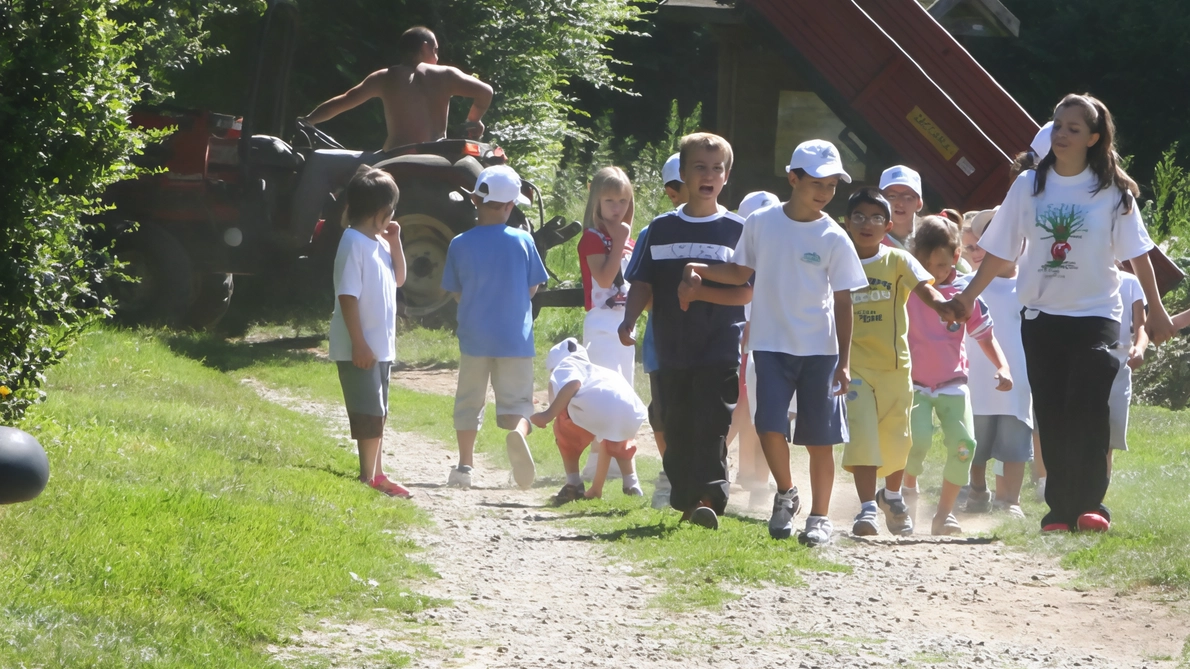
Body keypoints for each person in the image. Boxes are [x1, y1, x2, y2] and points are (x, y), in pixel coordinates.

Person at [949, 93, 1176, 533]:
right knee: (1052, 411)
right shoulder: (1027, 186)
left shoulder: (1114, 191)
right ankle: (1058, 511)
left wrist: (1158, 312)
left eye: (1074, 128)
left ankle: (1091, 505)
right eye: (1057, 125)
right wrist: (966, 300)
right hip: (1041, 317)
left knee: (1087, 405)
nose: (1063, 134)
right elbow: (998, 252)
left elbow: (1139, 255)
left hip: (1098, 315)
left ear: (1094, 137)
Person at [681, 139, 868, 546]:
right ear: (793, 178)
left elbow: (843, 299)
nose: (824, 191)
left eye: (833, 184)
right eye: (817, 181)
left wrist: (845, 361)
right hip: (769, 345)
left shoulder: (834, 236)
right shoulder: (762, 222)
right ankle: (787, 493)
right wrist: (698, 270)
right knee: (769, 427)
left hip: (820, 351)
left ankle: (819, 518)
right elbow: (738, 273)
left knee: (820, 438)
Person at [620, 133, 748, 530]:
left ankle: (707, 499)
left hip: (720, 346)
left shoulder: (738, 230)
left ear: (726, 176)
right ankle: (686, 498)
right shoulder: (658, 229)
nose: (709, 175)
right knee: (674, 425)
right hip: (671, 349)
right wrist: (629, 319)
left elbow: (747, 288)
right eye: (699, 167)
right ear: (683, 173)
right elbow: (641, 281)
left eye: (717, 168)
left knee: (711, 424)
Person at [292, 27, 495, 239]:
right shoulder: (446, 75)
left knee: (319, 161)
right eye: (435, 50)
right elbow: (486, 92)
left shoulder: (385, 78)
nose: (437, 56)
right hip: (435, 157)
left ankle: (298, 239)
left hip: (393, 156)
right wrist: (474, 121)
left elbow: (342, 102)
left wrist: (307, 121)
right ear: (424, 47)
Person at [840, 189, 951, 537]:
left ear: (888, 225)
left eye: (876, 218)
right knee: (861, 435)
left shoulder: (898, 260)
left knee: (898, 439)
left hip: (895, 367)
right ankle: (867, 509)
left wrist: (945, 307)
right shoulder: (838, 259)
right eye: (858, 216)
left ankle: (891, 496)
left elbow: (926, 289)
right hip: (854, 366)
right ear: (847, 222)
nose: (867, 224)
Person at [904, 216, 1013, 535]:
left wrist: (1002, 366)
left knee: (965, 444)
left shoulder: (965, 292)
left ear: (955, 257)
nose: (931, 272)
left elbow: (984, 334)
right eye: (923, 263)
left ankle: (944, 515)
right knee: (916, 440)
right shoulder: (909, 287)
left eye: (938, 264)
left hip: (953, 383)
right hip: (915, 384)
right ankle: (907, 492)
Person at [441, 165, 547, 491]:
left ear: (475, 199)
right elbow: (533, 289)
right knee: (517, 404)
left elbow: (455, 291)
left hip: (474, 338)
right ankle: (517, 432)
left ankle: (464, 467)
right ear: (510, 205)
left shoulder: (459, 243)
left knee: (469, 402)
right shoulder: (523, 240)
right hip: (516, 338)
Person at [328, 166, 410, 497]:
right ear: (381, 213)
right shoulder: (353, 243)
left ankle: (377, 471)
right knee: (368, 411)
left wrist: (396, 242)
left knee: (380, 411)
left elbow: (400, 278)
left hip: (381, 347)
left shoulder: (378, 242)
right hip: (359, 348)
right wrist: (359, 344)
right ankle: (368, 476)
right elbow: (347, 296)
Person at [963, 208, 1033, 519]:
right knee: (973, 442)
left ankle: (1010, 500)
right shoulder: (968, 285)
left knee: (1013, 444)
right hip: (974, 380)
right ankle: (977, 488)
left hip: (1018, 379)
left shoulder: (1032, 289)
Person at [629, 152, 685, 509]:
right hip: (663, 345)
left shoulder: (726, 227)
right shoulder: (655, 231)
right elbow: (641, 287)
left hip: (710, 343)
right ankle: (669, 474)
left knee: (704, 414)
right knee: (662, 414)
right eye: (684, 186)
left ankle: (703, 478)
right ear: (671, 191)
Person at [531, 339, 648, 503]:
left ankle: (573, 483)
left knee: (564, 426)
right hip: (630, 409)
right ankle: (631, 482)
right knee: (615, 438)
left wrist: (547, 415)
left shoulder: (566, 364)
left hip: (605, 409)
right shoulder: (599, 372)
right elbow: (605, 437)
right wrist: (596, 487)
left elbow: (572, 384)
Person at [576, 167, 637, 482]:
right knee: (604, 390)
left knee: (624, 388)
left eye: (623, 200)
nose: (617, 208)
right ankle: (594, 461)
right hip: (601, 321)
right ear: (596, 202)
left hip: (626, 321)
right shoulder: (593, 238)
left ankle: (613, 460)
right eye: (610, 200)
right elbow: (603, 277)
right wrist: (619, 240)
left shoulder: (628, 239)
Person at [730, 190, 782, 504]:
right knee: (739, 412)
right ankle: (716, 469)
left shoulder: (785, 259)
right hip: (743, 348)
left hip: (775, 347)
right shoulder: (738, 265)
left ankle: (758, 485)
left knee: (766, 416)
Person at [1108, 266, 1148, 478]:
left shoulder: (1131, 282)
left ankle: (1097, 497)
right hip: (1084, 360)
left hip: (1119, 366)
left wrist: (1139, 348)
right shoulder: (1081, 275)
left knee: (1109, 438)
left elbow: (1141, 326)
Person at [880, 165, 924, 251]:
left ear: (919, 203)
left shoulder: (931, 235)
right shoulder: (869, 237)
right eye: (892, 196)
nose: (900, 203)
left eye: (908, 198)